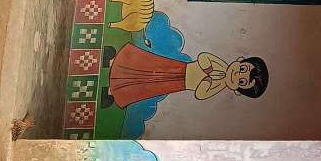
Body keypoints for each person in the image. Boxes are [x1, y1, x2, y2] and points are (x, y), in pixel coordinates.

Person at [100, 46, 268, 108]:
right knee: (147, 65)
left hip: (179, 84)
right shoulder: (221, 64)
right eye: (242, 69)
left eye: (241, 81)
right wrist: (210, 69)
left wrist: (210, 81)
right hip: (177, 68)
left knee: (148, 86)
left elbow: (200, 94)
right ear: (239, 60)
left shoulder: (219, 86)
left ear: (237, 90)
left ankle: (113, 92)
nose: (236, 74)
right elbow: (203, 57)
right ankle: (114, 60)